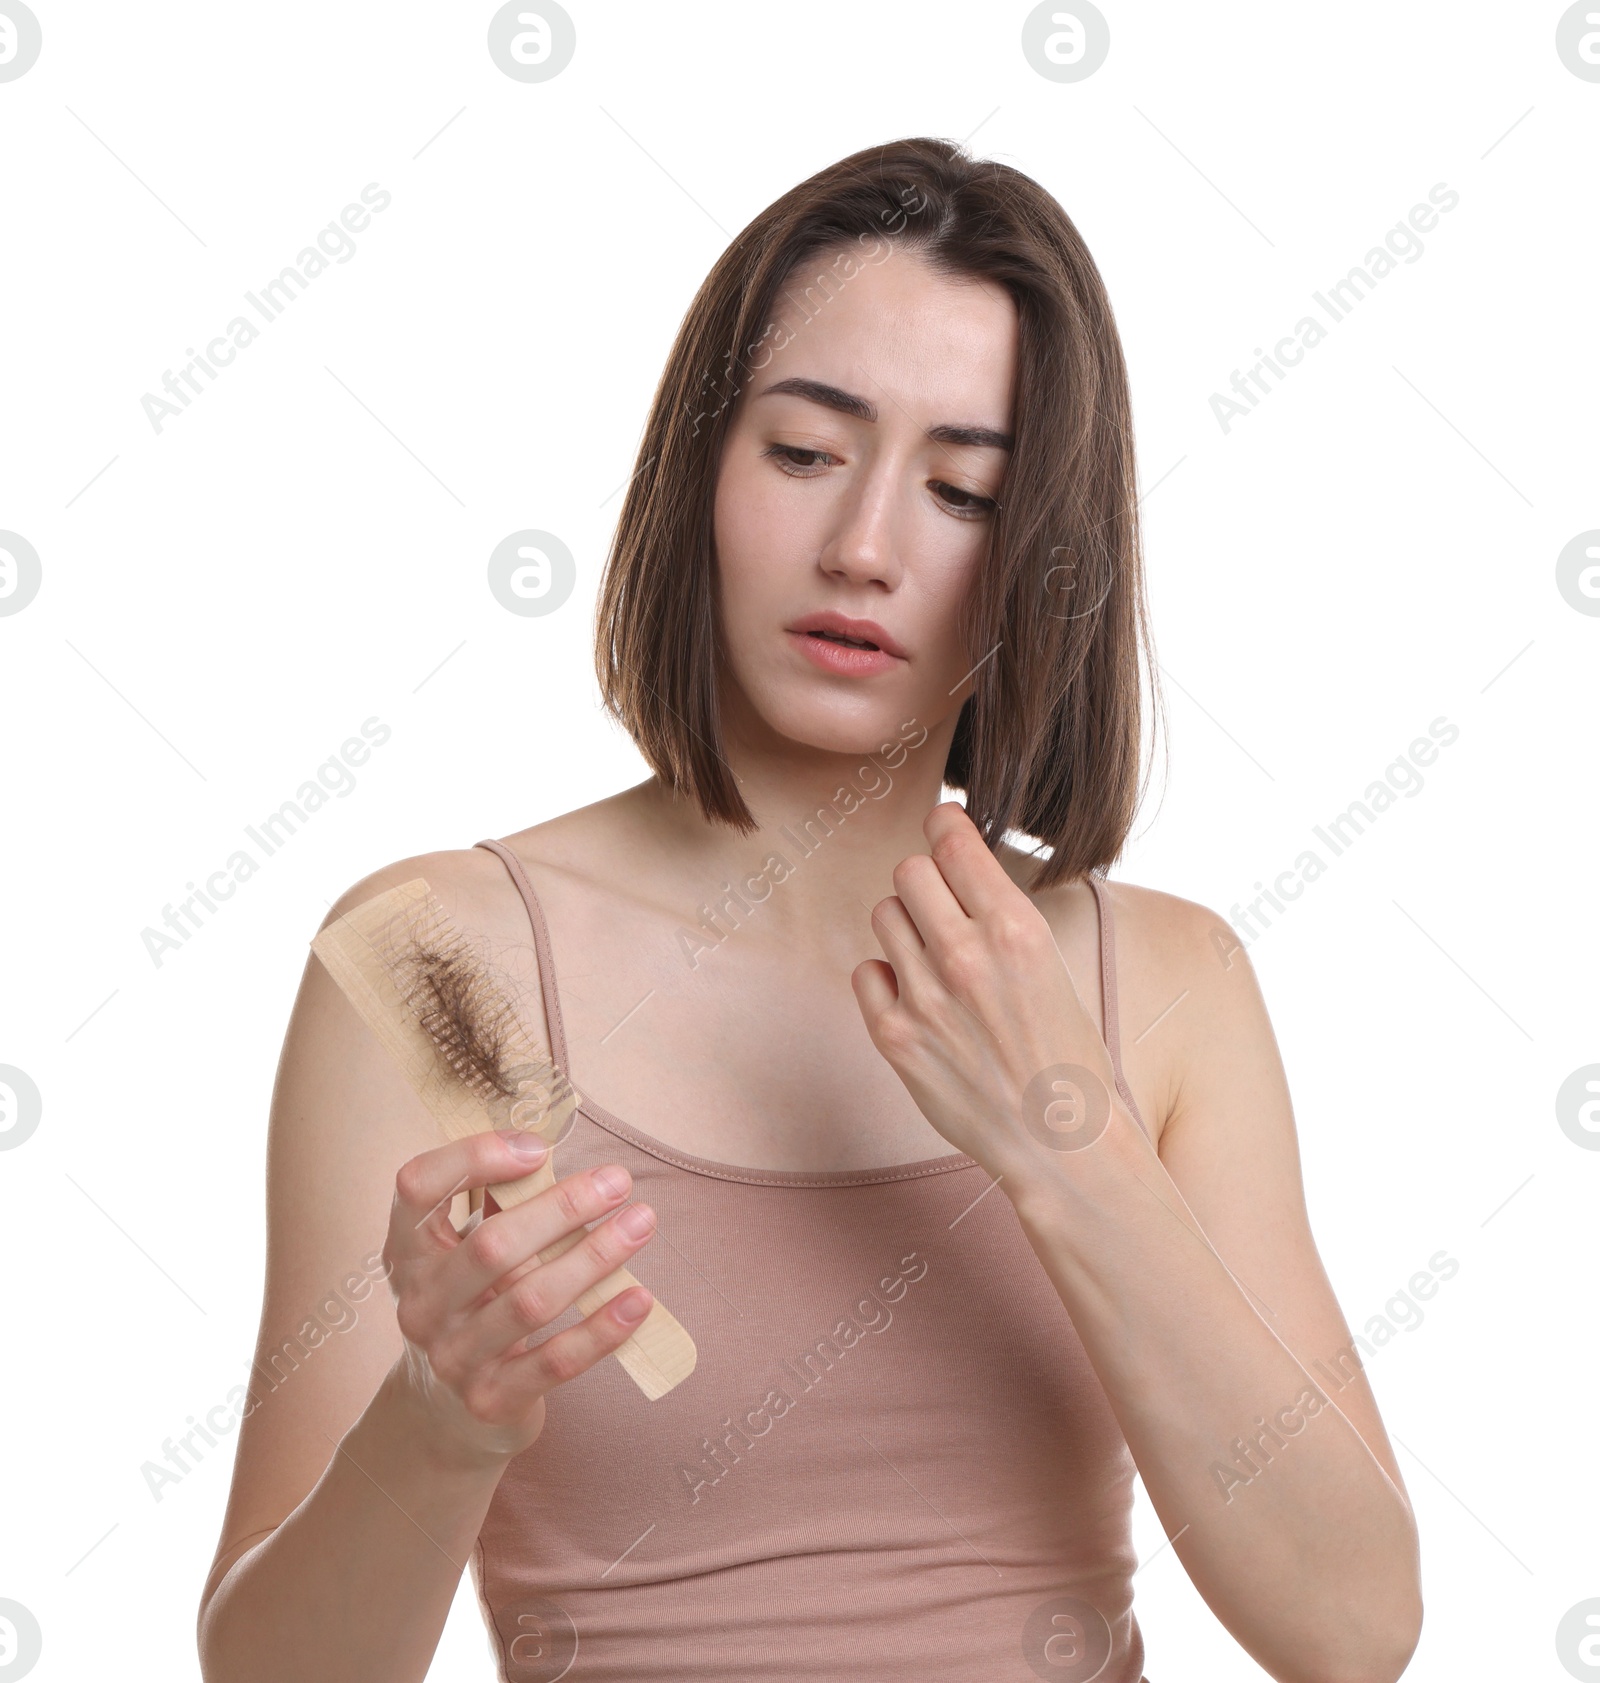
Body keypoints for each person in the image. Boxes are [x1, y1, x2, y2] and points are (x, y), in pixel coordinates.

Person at [197, 136, 1422, 1683]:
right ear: (695, 473)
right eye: (801, 454)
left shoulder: (1160, 981)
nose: (864, 548)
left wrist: (1069, 1148)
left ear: (1040, 550)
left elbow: (1358, 1630)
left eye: (964, 488)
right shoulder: (445, 961)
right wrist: (440, 1426)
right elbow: (269, 1670)